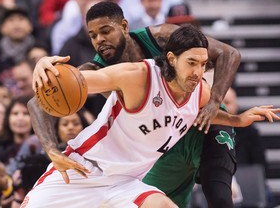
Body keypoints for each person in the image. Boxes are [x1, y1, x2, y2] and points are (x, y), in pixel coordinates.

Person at [22, 24, 280, 208]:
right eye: (191, 63)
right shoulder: (137, 76)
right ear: (172, 58)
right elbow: (73, 81)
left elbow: (200, 116)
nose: (197, 72)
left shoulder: (199, 91)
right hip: (84, 170)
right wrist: (45, 65)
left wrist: (238, 120)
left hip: (126, 182)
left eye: (203, 65)